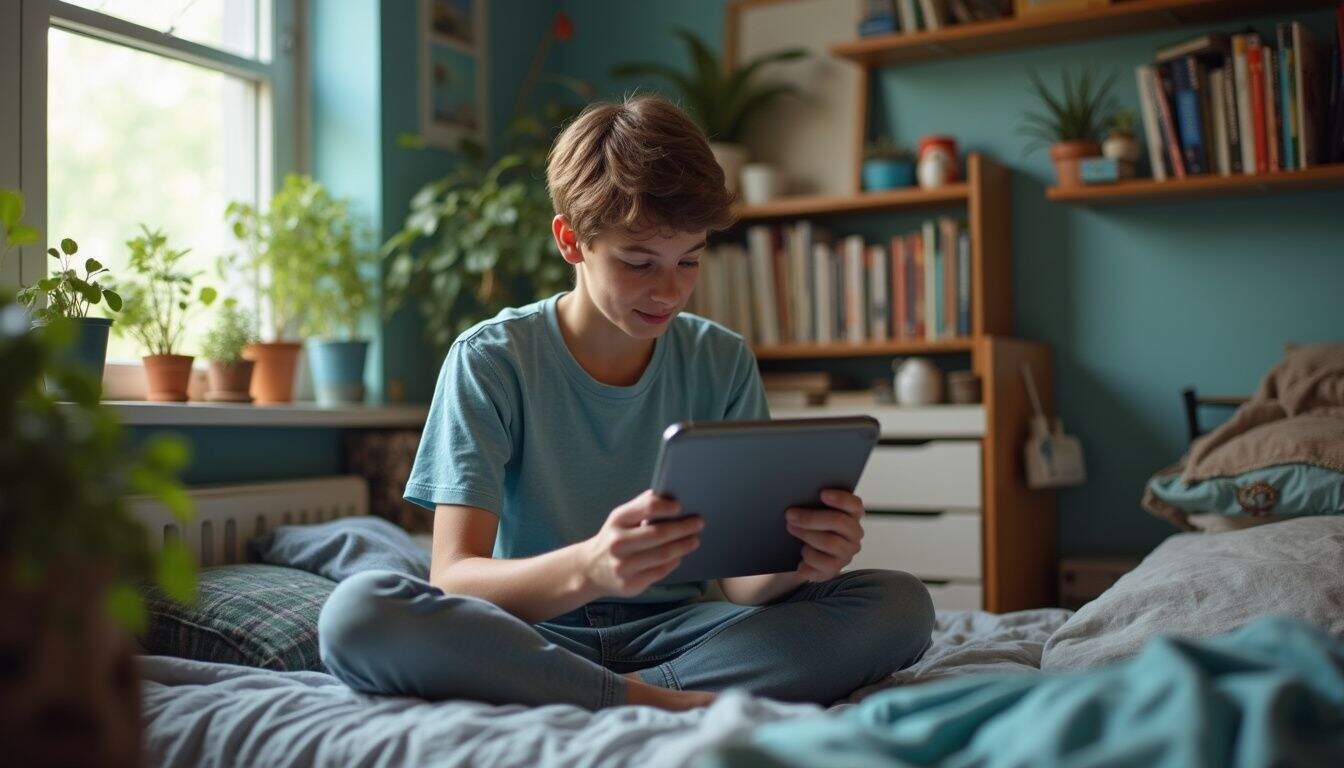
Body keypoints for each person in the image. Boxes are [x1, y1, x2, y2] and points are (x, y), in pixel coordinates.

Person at [319, 95, 934, 711]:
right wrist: (590, 568)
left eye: (688, 261)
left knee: (901, 604)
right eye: (639, 262)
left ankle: (628, 696)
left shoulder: (721, 361)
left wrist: (801, 560)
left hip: (684, 637)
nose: (668, 291)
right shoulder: (492, 359)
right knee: (357, 615)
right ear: (570, 240)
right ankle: (665, 700)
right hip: (533, 633)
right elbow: (453, 577)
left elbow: (742, 586)